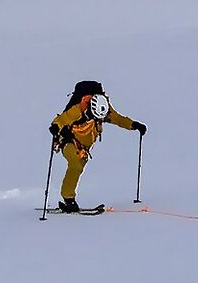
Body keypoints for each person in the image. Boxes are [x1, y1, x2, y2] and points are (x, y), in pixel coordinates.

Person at [48, 80, 146, 212]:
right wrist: (55, 127)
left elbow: (117, 118)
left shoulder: (104, 109)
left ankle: (68, 197)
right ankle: (68, 199)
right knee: (75, 163)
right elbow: (61, 119)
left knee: (79, 166)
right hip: (67, 140)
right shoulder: (77, 109)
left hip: (84, 147)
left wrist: (133, 125)